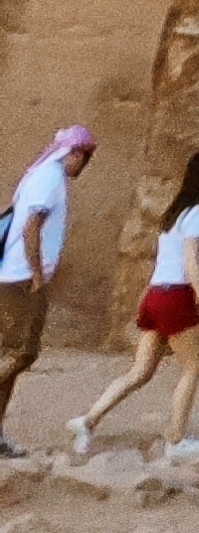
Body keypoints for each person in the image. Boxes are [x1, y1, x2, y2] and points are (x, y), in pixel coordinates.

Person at [71, 149, 199, 454]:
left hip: (155, 294)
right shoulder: (197, 216)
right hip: (176, 295)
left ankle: (88, 419)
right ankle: (176, 439)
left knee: (140, 371)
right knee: (193, 366)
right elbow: (191, 262)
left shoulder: (174, 215)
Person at [0, 125, 94, 451]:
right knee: (20, 352)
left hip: (13, 275)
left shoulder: (40, 175)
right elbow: (31, 228)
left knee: (11, 353)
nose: (83, 166)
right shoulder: (50, 178)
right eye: (84, 158)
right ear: (76, 154)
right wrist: (37, 273)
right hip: (21, 278)